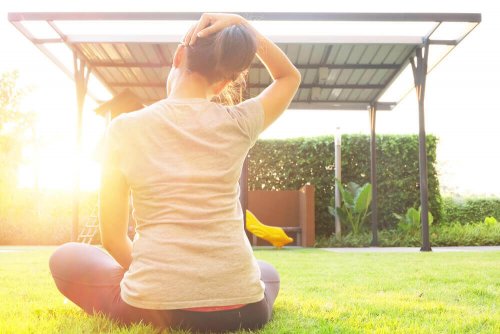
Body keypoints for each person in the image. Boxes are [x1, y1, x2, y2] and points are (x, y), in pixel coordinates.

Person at [49, 13, 301, 332]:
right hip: (245, 310)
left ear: (178, 56)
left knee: (67, 257)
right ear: (223, 82)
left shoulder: (123, 129)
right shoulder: (239, 121)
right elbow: (288, 77)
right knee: (267, 272)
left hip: (153, 307)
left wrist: (157, 273)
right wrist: (245, 27)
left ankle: (160, 286)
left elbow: (113, 239)